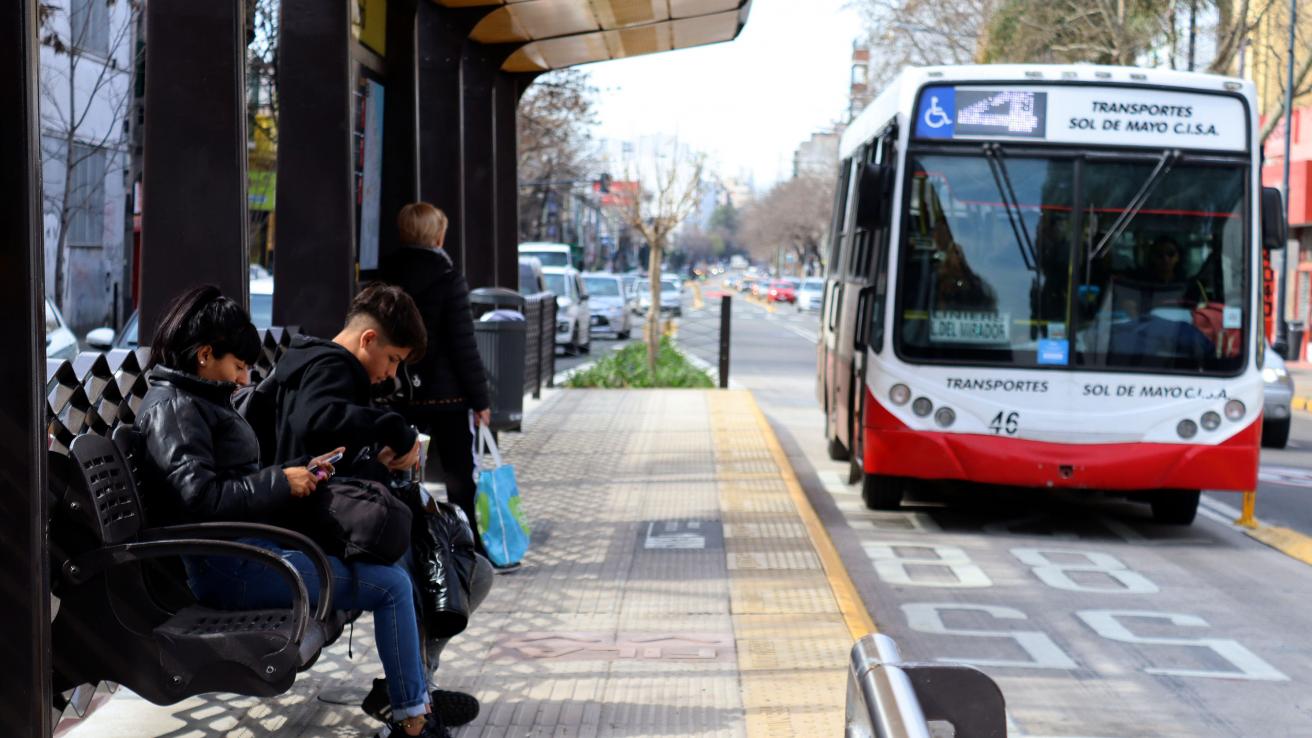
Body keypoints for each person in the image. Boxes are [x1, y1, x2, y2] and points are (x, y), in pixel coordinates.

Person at [135, 285, 447, 738]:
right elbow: (200, 498)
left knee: (390, 566)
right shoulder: (176, 410)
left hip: (247, 553)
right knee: (392, 585)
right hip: (232, 568)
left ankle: (412, 707)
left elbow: (221, 485)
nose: (244, 380)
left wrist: (298, 472)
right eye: (238, 366)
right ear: (205, 355)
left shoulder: (193, 400)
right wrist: (281, 480)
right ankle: (414, 721)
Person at [268, 281, 488, 728]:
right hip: (309, 531)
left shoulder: (316, 364)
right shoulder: (333, 366)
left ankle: (411, 694)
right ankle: (414, 705)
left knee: (462, 566)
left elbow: (328, 451)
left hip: (323, 521)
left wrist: (381, 464)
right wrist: (392, 426)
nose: (391, 374)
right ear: (368, 339)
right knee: (445, 567)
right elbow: (316, 421)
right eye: (392, 360)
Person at [380, 203, 492, 557]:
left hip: (399, 392)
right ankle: (466, 546)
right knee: (459, 476)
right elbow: (463, 344)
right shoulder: (447, 277)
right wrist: (480, 400)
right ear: (437, 235)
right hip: (448, 396)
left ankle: (409, 543)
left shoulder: (386, 276)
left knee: (404, 471)